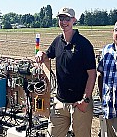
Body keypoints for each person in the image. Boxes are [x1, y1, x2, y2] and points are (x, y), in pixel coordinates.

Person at [35, 7, 96, 137]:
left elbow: (92, 74)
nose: (64, 22)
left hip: (79, 104)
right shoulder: (58, 41)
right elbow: (48, 55)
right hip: (60, 103)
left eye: (67, 19)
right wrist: (41, 53)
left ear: (74, 20)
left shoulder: (84, 44)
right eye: (61, 18)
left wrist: (85, 100)